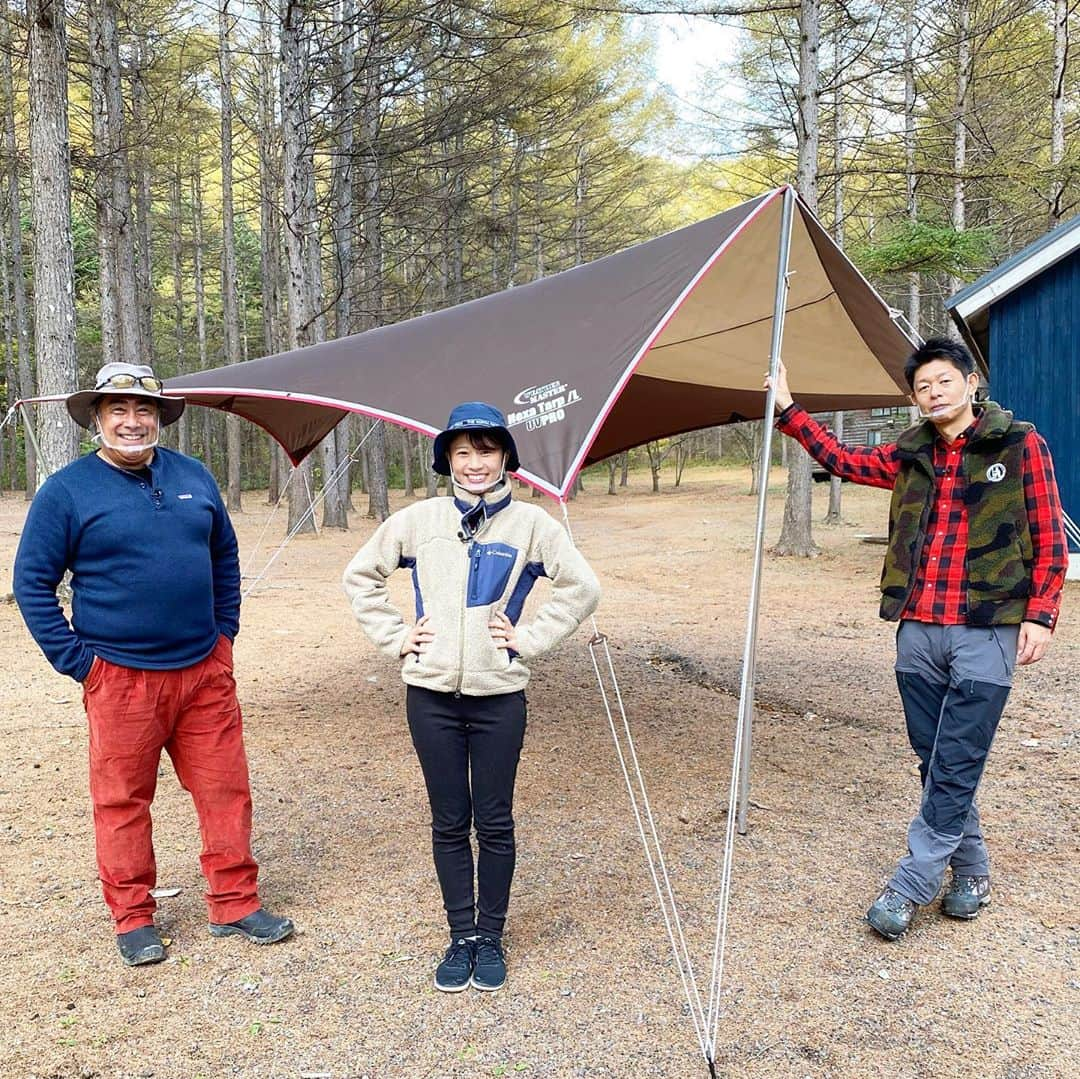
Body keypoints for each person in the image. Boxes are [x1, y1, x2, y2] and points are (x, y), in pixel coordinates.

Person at [766, 338, 1067, 940]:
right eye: (923, 386)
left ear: (970, 381)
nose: (934, 393)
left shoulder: (1019, 443)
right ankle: (973, 873)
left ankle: (911, 883)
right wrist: (788, 409)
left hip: (988, 627)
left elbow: (1048, 531)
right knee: (937, 760)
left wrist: (1041, 614)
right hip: (919, 630)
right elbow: (845, 459)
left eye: (944, 381)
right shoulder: (910, 455)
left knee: (956, 760)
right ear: (914, 397)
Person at [13, 361, 293, 966]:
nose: (132, 422)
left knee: (225, 791)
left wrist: (225, 637)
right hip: (119, 677)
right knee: (122, 802)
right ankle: (134, 917)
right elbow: (32, 584)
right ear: (96, 419)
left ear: (159, 419)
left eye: (144, 410)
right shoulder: (66, 492)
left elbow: (223, 557)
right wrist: (80, 664)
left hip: (203, 672)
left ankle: (235, 902)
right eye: (118, 410)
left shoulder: (194, 476)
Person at [343, 402, 600, 991]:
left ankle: (491, 936)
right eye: (463, 452)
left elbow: (583, 587)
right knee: (448, 821)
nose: (476, 462)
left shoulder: (533, 525)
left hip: (498, 698)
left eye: (487, 450)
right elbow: (361, 576)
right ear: (447, 461)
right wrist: (397, 637)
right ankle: (461, 935)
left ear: (505, 455)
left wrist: (527, 640)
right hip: (430, 696)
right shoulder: (420, 520)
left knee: (495, 820)